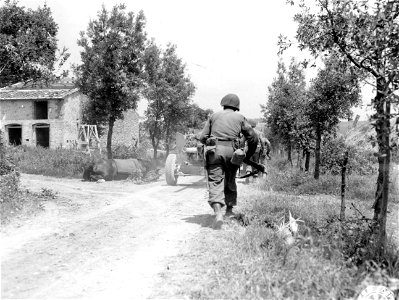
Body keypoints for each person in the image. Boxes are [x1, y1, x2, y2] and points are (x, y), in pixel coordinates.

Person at [198, 94, 259, 229]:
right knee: (230, 179)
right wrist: (247, 155)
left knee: (215, 181)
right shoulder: (240, 117)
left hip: (215, 152)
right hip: (232, 152)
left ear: (223, 104)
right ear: (236, 106)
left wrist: (210, 140)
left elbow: (202, 137)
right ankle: (229, 212)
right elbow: (253, 138)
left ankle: (218, 213)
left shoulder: (213, 116)